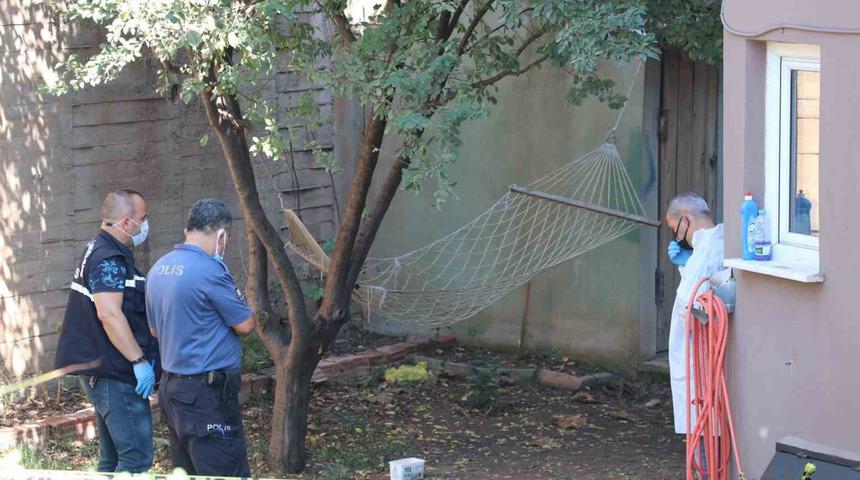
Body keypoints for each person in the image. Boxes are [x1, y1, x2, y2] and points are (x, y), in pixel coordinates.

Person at [146, 198, 255, 477]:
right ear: (221, 235)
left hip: (172, 390)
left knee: (187, 471)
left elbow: (154, 331)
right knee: (224, 470)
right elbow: (245, 324)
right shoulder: (210, 270)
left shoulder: (158, 269)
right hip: (207, 397)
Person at [53, 190, 160, 473]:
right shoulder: (108, 257)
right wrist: (139, 362)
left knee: (111, 460)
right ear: (126, 222)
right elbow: (109, 314)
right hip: (116, 375)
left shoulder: (101, 249)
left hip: (106, 372)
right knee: (135, 458)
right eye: (142, 218)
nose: (146, 224)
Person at [666, 192, 724, 475]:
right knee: (701, 430)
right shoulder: (707, 249)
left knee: (705, 438)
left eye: (674, 231)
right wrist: (684, 264)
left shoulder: (709, 250)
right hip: (698, 369)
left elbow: (691, 307)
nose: (676, 239)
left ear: (685, 221)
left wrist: (688, 264)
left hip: (701, 368)